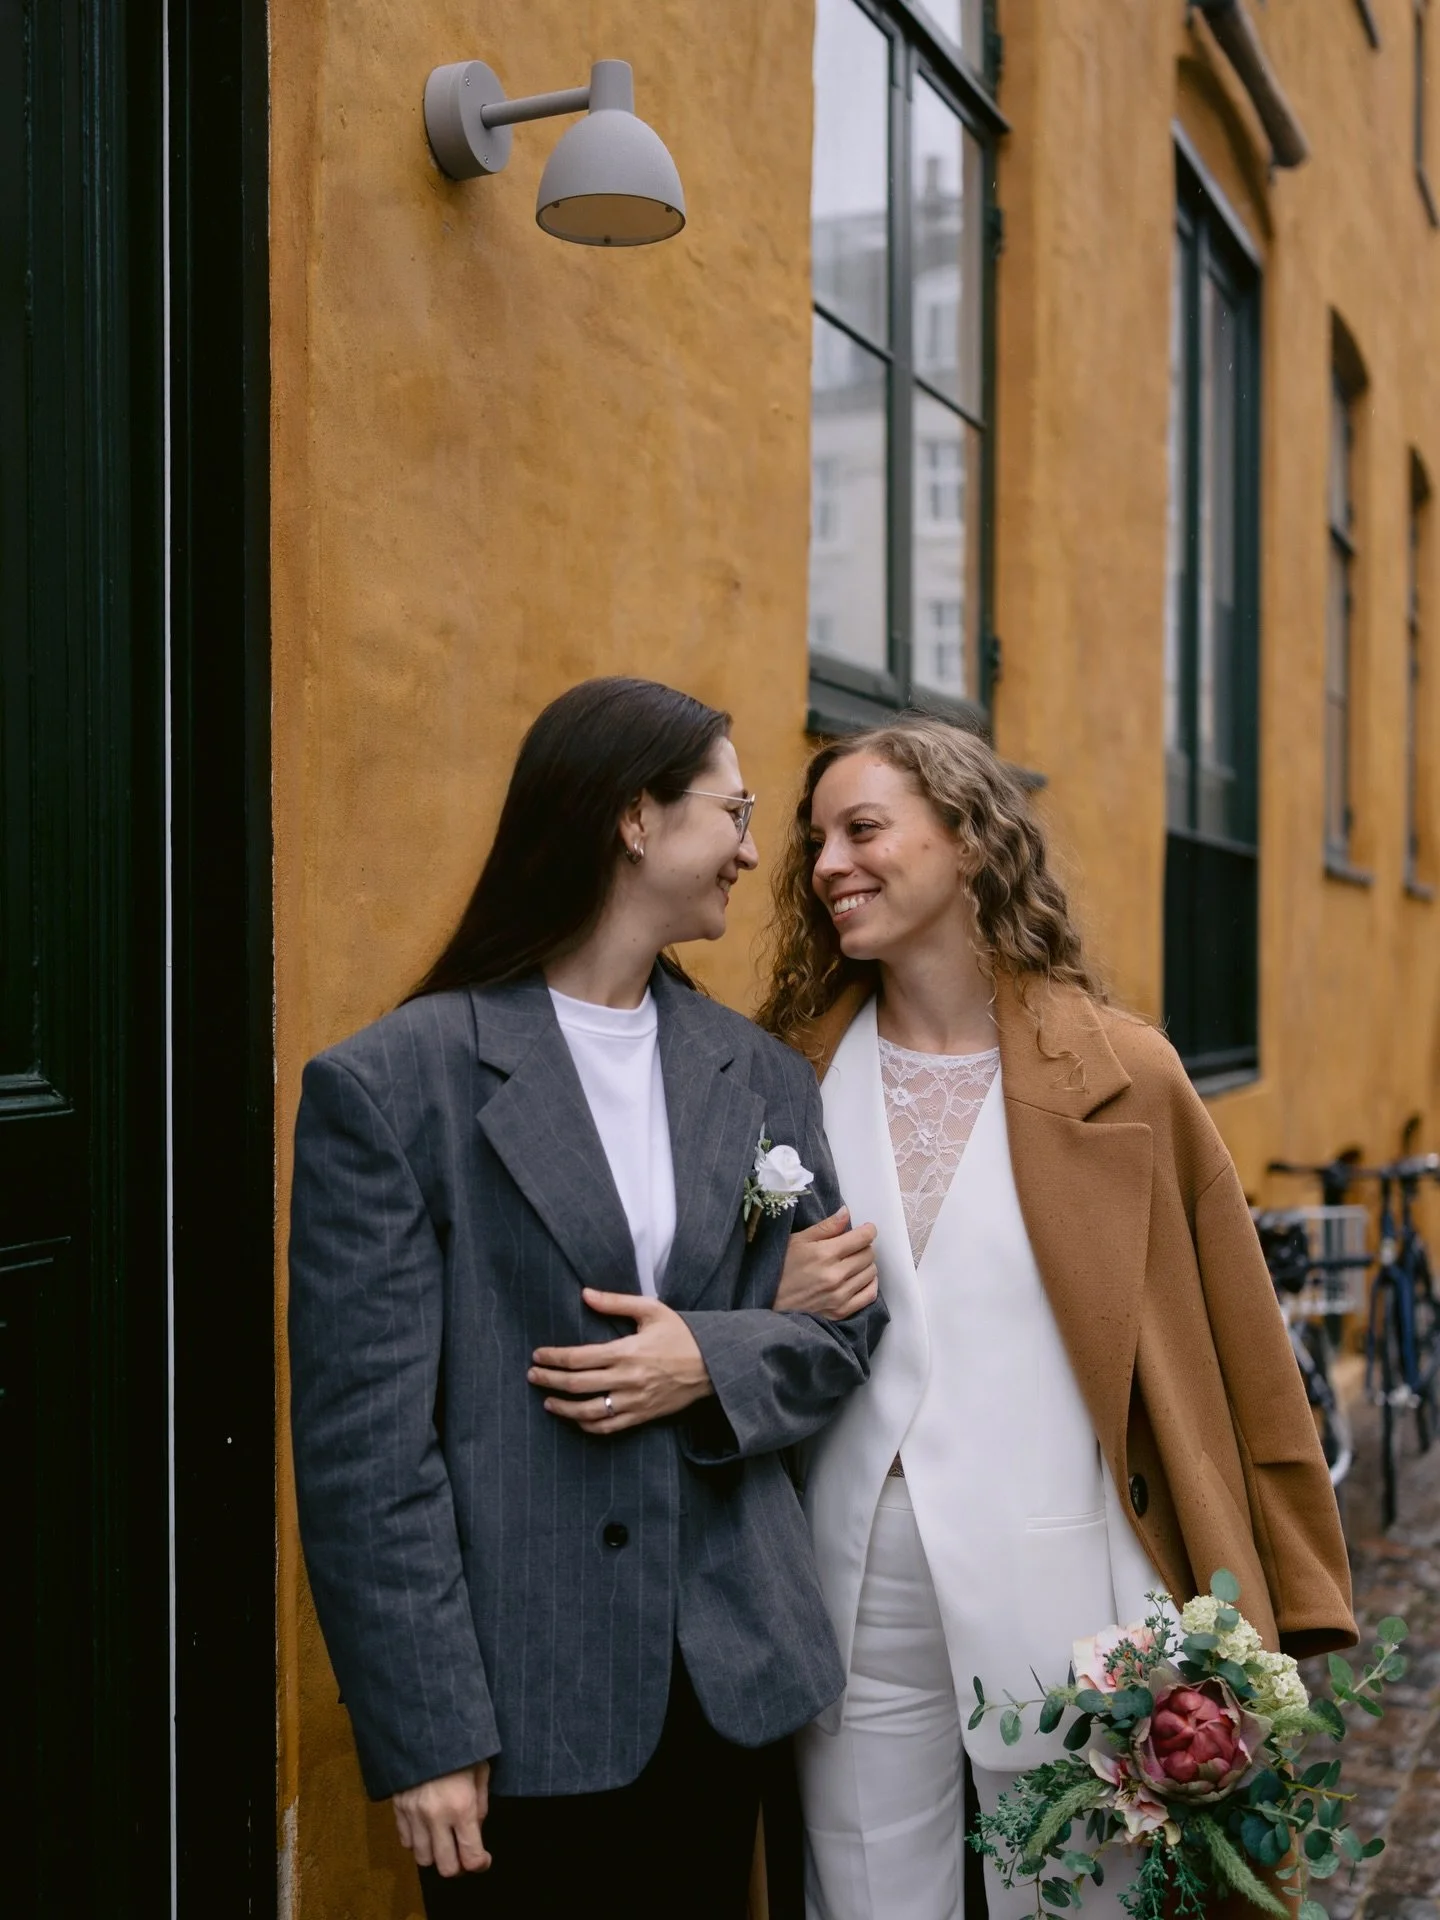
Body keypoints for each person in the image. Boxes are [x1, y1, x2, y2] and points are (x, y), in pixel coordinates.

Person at [287, 677, 888, 1920]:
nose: (752, 849)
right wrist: (426, 1728)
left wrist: (703, 1359)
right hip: (516, 1698)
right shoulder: (397, 1087)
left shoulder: (761, 1074)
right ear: (633, 822)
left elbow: (844, 1333)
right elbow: (365, 1451)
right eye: (733, 810)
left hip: (729, 1675)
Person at [755, 716, 1357, 1920]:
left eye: (863, 829)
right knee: (865, 1889)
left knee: (1091, 1894)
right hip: (846, 1573)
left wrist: (1286, 1589)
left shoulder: (1129, 1074)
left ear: (969, 842)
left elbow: (1242, 1351)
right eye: (815, 840)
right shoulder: (781, 1073)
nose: (828, 864)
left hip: (1075, 1567)